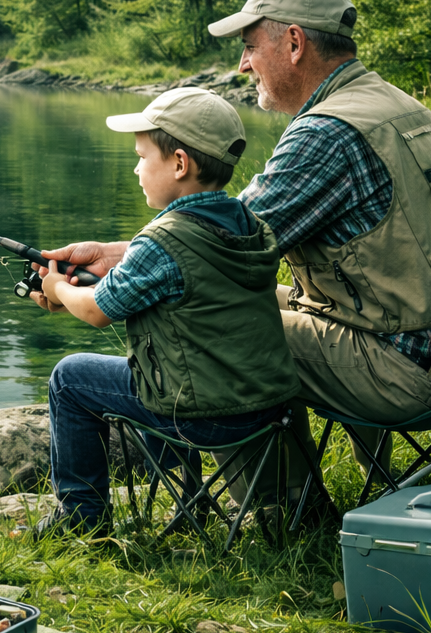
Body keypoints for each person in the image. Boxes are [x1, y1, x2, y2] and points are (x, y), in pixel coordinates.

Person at [35, 0, 431, 510]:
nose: (243, 65)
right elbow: (223, 233)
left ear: (293, 42)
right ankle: (284, 495)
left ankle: (283, 508)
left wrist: (111, 278)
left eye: (249, 47)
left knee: (219, 327)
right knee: (239, 305)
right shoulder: (391, 102)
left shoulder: (327, 132)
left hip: (415, 367)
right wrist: (118, 256)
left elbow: (214, 250)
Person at [34, 86, 300, 536]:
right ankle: (185, 503)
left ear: (179, 164)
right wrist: (97, 282)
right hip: (266, 410)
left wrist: (58, 288)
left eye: (142, 157)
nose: (136, 167)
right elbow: (191, 291)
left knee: (70, 378)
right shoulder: (246, 225)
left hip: (204, 416)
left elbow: (98, 311)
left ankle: (80, 519)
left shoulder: (162, 240)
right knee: (163, 366)